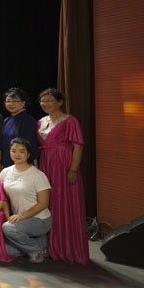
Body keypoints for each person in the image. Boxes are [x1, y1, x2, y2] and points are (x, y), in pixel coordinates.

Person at [37, 88, 88, 265]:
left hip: (63, 164)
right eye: (43, 101)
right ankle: (50, 246)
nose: (45, 104)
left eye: (50, 100)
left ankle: (68, 248)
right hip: (46, 163)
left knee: (64, 202)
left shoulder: (70, 120)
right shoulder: (40, 122)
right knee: (48, 202)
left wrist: (73, 169)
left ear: (59, 102)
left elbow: (78, 146)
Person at [0, 138, 52, 263]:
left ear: (28, 154)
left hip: (40, 219)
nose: (17, 154)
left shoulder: (38, 175)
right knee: (6, 251)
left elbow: (43, 203)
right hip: (19, 220)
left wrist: (22, 216)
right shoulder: (5, 172)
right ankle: (41, 243)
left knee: (8, 228)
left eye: (21, 151)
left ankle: (36, 250)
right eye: (14, 151)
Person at [2, 87, 39, 168]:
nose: (11, 104)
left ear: (23, 103)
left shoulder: (29, 121)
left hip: (23, 164)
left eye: (15, 101)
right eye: (8, 101)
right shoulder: (6, 120)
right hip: (7, 162)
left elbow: (30, 145)